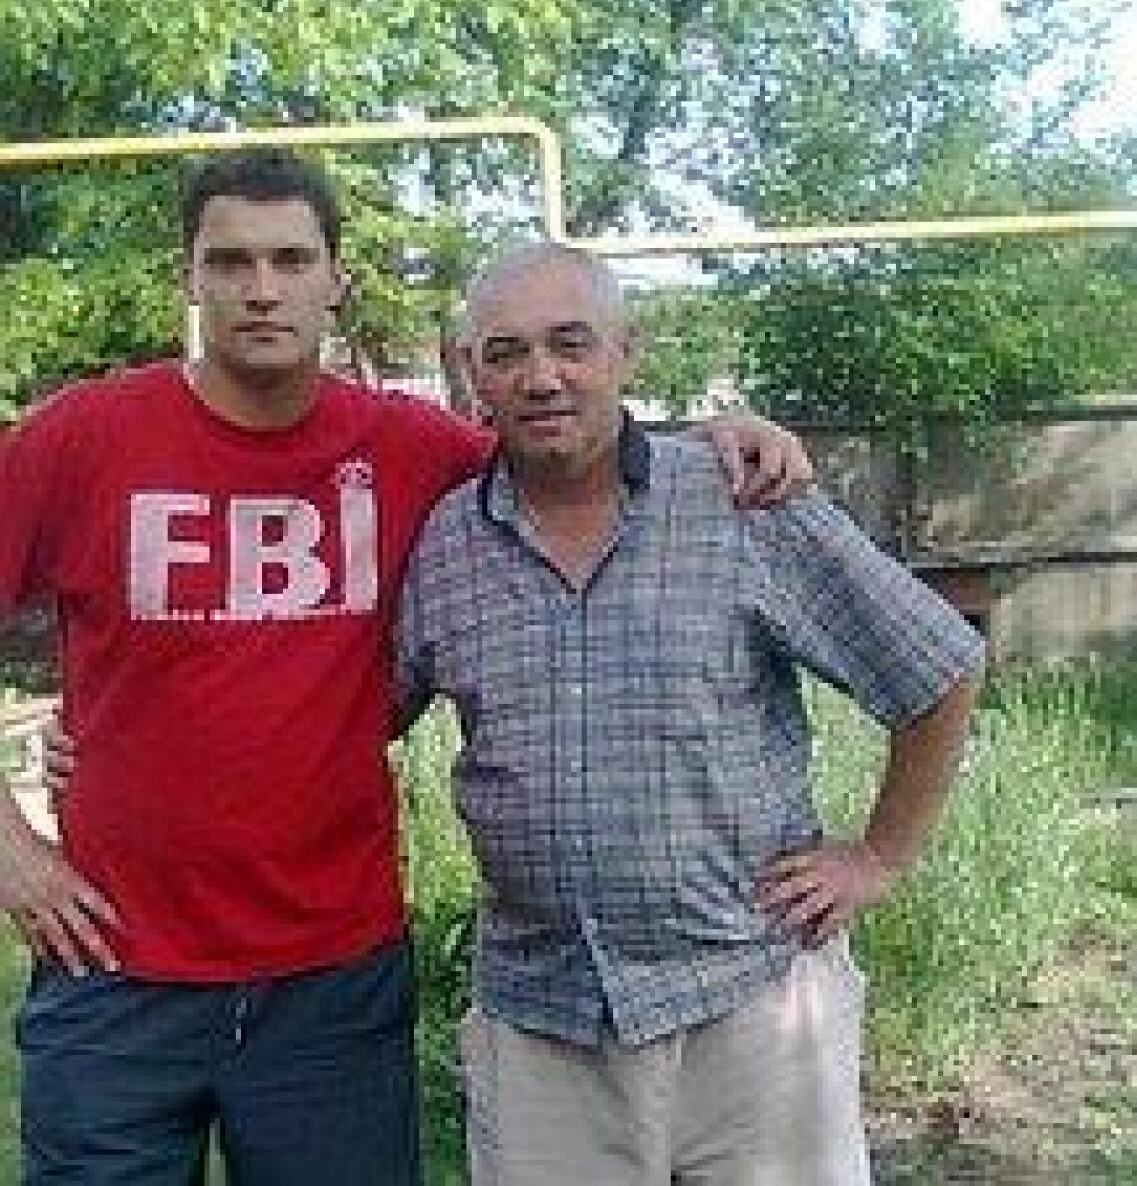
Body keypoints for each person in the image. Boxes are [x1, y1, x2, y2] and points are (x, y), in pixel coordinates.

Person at [0, 150, 812, 1186]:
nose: (261, 288)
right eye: (231, 261)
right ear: (189, 279)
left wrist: (715, 439)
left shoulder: (411, 449)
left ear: (335, 280)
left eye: (291, 259)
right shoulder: (83, 438)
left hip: (330, 979)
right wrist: (13, 853)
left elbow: (568, 447)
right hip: (114, 962)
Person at [395, 242, 986, 1185]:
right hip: (543, 1030)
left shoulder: (742, 499)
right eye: (506, 354)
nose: (541, 377)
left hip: (753, 1008)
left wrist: (879, 857)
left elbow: (938, 664)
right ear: (472, 375)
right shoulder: (444, 543)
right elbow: (357, 715)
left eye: (571, 344)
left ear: (627, 352)